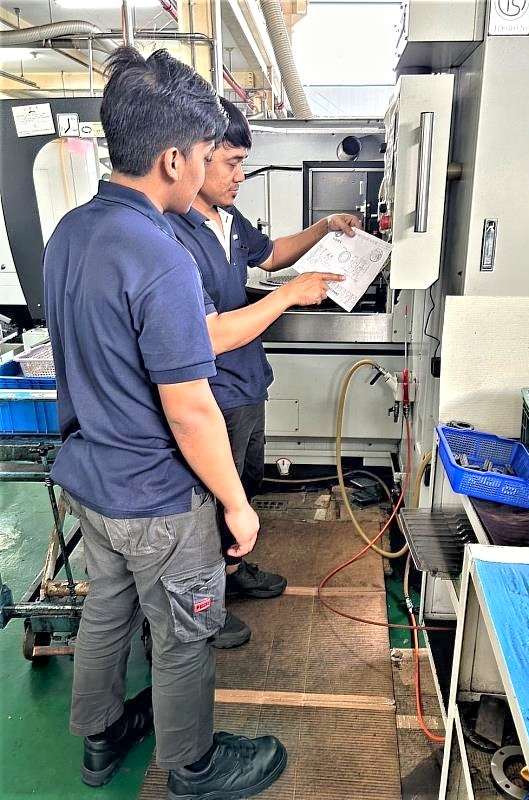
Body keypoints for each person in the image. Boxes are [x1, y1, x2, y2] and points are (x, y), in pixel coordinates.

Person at [43, 48, 286, 800]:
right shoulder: (161, 255)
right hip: (156, 497)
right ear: (174, 159)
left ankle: (101, 736)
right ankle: (193, 766)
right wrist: (237, 506)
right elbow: (189, 406)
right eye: (209, 155)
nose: (211, 168)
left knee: (108, 612)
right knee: (186, 631)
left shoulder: (70, 232)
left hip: (91, 480)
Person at [168, 97, 359, 648]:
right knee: (211, 503)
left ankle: (231, 572)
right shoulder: (173, 234)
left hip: (247, 383)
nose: (240, 176)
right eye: (231, 163)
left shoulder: (229, 220)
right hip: (211, 393)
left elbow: (272, 255)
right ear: (196, 156)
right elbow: (208, 334)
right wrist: (290, 296)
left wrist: (324, 227)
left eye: (242, 164)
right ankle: (206, 605)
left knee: (246, 485)